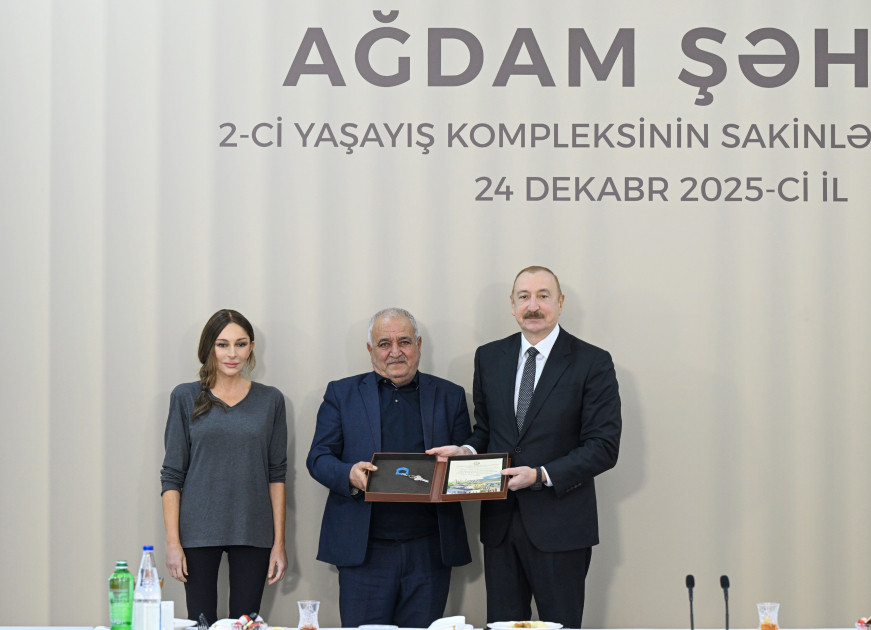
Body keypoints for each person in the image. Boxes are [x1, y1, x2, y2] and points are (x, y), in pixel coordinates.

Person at [429, 266, 621, 627]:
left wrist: (540, 475)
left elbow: (603, 446)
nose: (533, 306)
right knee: (502, 624)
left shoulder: (592, 362)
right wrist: (466, 452)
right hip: (500, 524)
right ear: (512, 304)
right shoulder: (489, 357)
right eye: (524, 296)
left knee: (560, 624)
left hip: (561, 525)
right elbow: (486, 430)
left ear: (560, 303)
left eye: (543, 296)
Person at [306, 307, 472, 628]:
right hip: (365, 551)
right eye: (384, 344)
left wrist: (462, 459)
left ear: (418, 345)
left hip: (430, 550)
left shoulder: (450, 395)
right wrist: (349, 475)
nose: (395, 352)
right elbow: (318, 458)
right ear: (371, 349)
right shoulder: (342, 393)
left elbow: (467, 464)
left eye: (404, 342)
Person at [160, 309, 288, 623]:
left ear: (251, 348)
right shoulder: (185, 396)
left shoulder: (271, 400)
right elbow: (172, 475)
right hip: (198, 531)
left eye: (241, 344)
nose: (232, 354)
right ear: (209, 348)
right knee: (201, 623)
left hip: (253, 530)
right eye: (222, 344)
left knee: (245, 625)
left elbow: (277, 475)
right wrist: (173, 543)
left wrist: (279, 544)